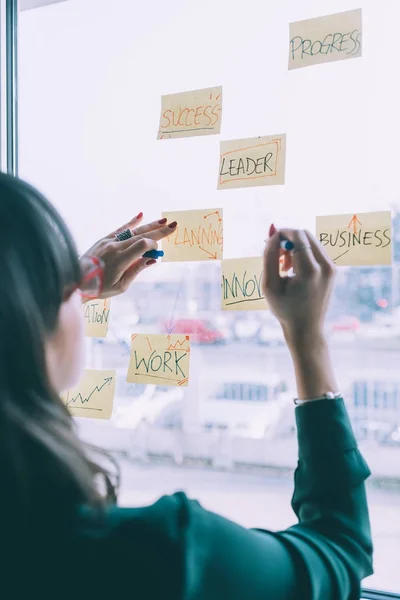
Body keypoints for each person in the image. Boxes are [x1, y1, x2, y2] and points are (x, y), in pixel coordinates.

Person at [0, 172, 372, 599]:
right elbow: (341, 550)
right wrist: (307, 340)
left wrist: (60, 292)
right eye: (65, 287)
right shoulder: (162, 554)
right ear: (32, 322)